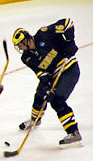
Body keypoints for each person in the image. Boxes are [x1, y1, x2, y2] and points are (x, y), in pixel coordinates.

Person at [12, 18, 82, 146]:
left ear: (27, 39)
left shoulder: (44, 34)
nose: (20, 48)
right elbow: (42, 74)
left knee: (56, 100)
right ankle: (35, 119)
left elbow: (67, 23)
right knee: (40, 94)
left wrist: (70, 42)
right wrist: (47, 87)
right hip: (54, 75)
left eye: (20, 44)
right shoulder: (26, 57)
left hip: (69, 69)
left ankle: (74, 132)